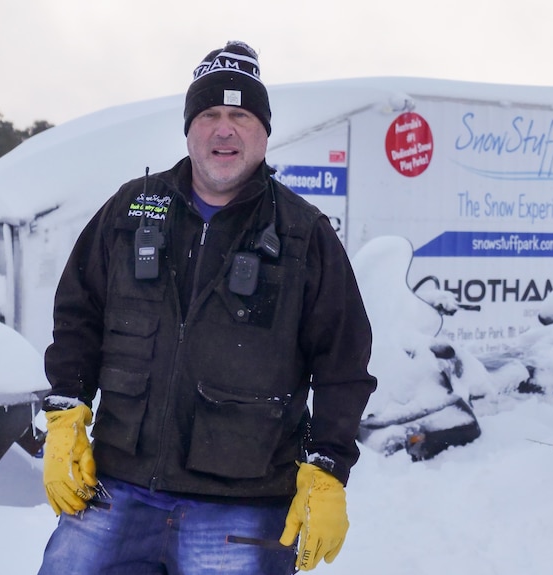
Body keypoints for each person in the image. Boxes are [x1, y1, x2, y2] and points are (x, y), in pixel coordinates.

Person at [36, 41, 376, 574]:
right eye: (210, 115)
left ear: (264, 132)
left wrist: (327, 467)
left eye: (240, 116)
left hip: (243, 505)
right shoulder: (131, 208)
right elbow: (78, 315)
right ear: (189, 128)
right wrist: (65, 413)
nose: (224, 129)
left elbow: (343, 362)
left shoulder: (302, 233)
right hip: (118, 486)